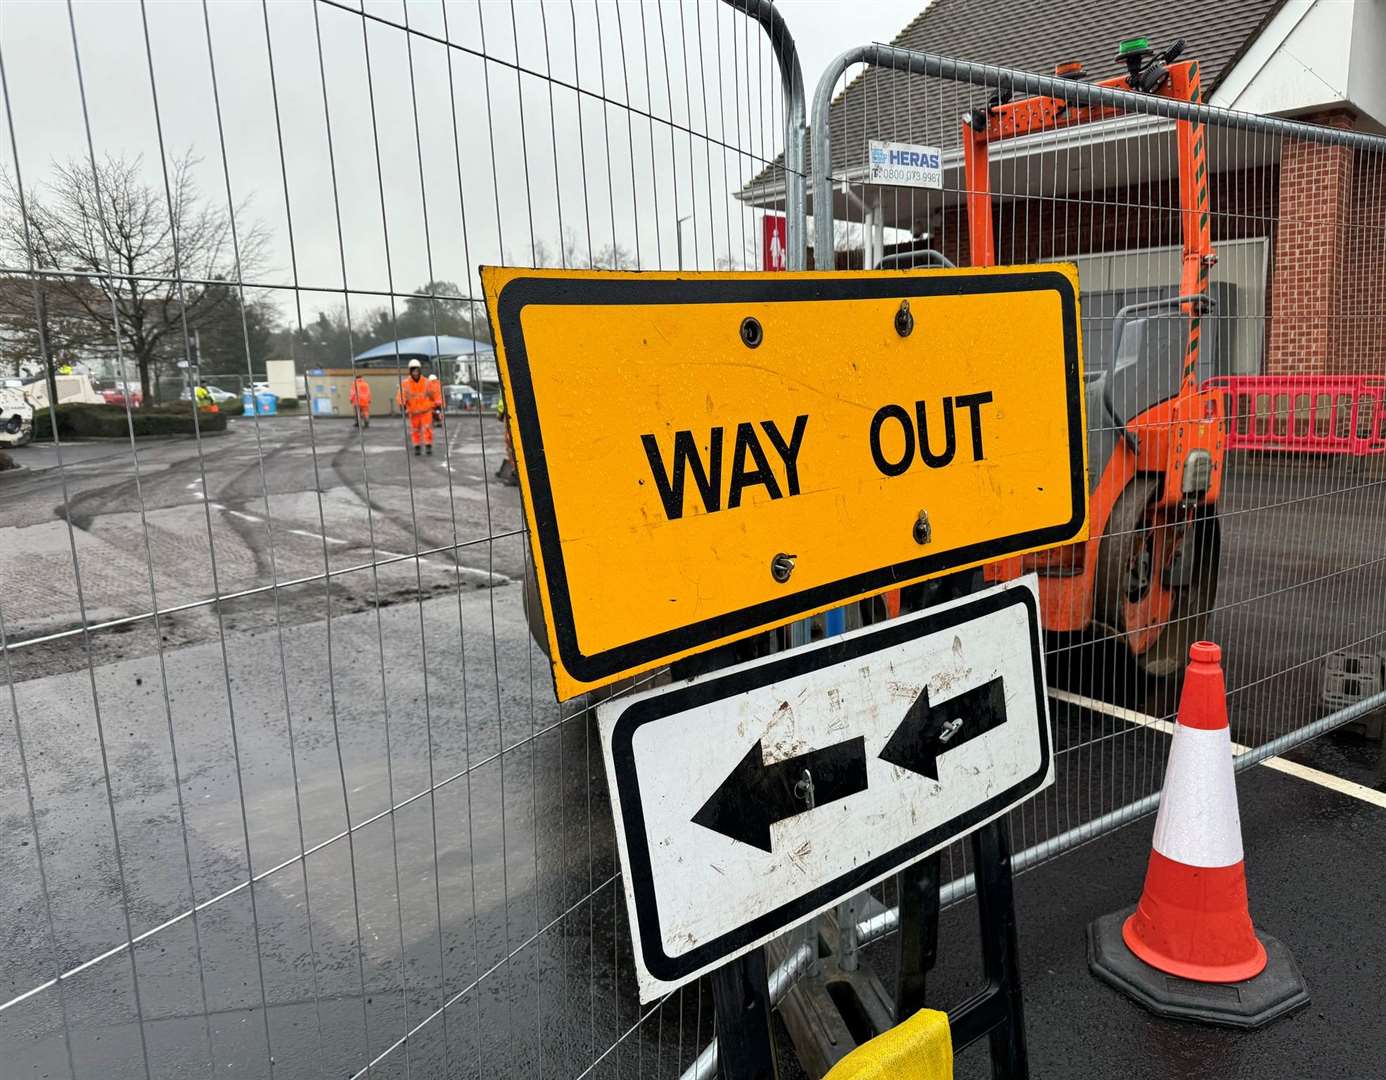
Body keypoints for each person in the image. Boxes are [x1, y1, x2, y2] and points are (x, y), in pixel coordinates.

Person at [397, 359, 442, 455]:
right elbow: (401, 395)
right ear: (410, 371)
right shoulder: (405, 383)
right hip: (413, 411)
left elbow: (435, 394)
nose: (415, 373)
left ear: (419, 370)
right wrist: (402, 404)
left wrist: (438, 405)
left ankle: (428, 446)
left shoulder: (426, 382)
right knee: (415, 430)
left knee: (427, 428)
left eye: (417, 370)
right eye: (413, 371)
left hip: (426, 410)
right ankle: (417, 446)